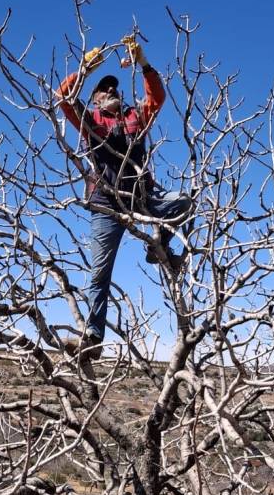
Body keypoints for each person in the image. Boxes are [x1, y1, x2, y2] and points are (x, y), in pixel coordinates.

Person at [55, 36, 192, 356]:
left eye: (115, 87)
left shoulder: (134, 117)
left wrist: (143, 64)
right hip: (106, 203)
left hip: (141, 197)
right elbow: (63, 98)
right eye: (104, 89)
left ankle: (159, 248)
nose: (112, 90)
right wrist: (84, 69)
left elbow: (157, 98)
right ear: (95, 100)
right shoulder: (91, 120)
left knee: (183, 202)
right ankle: (92, 337)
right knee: (100, 273)